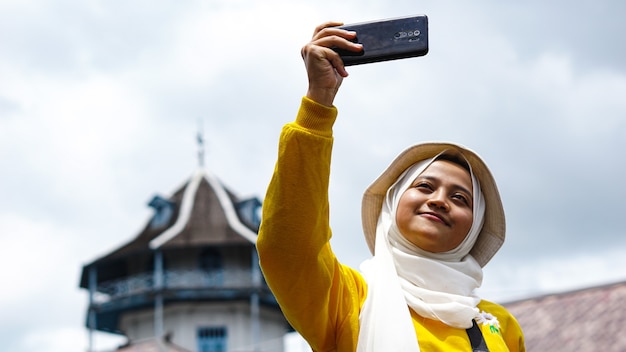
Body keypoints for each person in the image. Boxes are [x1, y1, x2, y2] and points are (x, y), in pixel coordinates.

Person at [257, 21, 525, 352]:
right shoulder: (348, 297)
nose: (440, 200)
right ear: (392, 202)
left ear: (475, 228)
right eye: (425, 186)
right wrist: (318, 102)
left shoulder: (498, 326)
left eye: (461, 198)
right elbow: (287, 247)